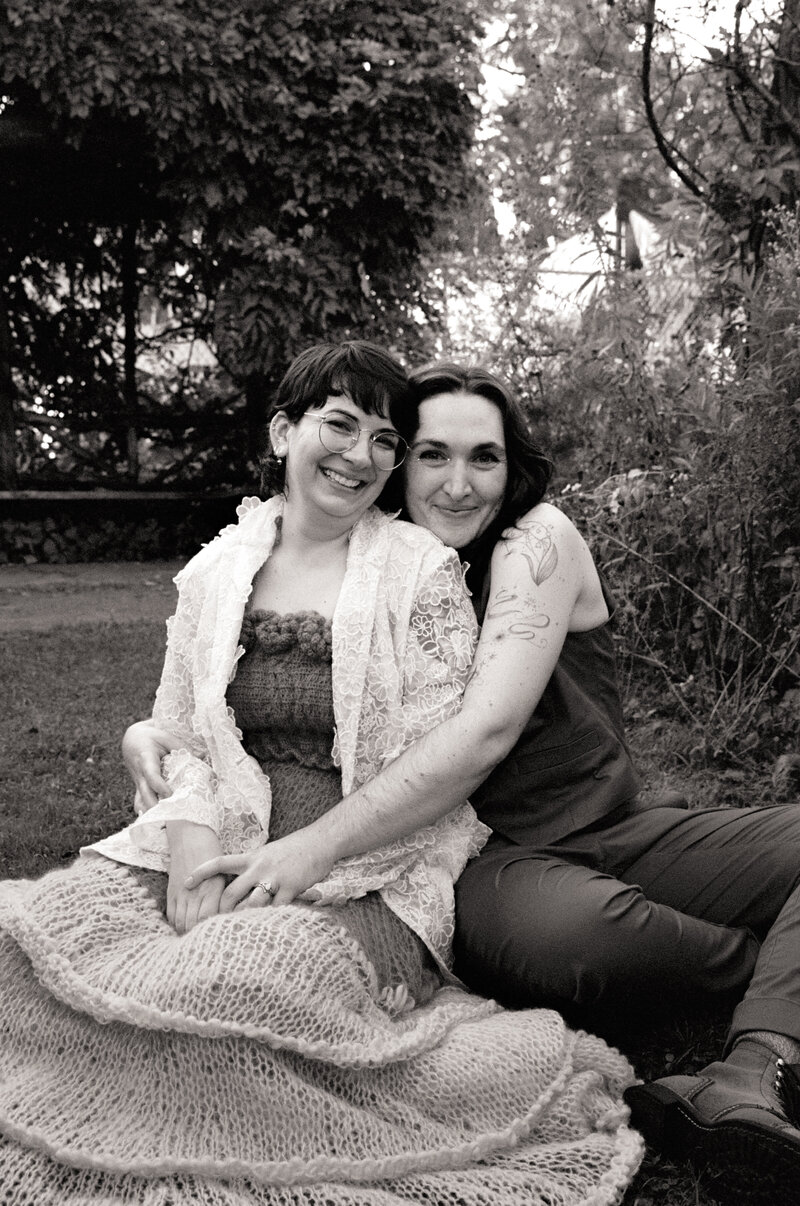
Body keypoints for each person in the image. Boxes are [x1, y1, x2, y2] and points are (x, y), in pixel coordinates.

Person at [126, 358, 800, 1205]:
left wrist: (310, 849)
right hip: (495, 861)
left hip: (620, 827)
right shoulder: (381, 567)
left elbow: (481, 733)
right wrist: (150, 728)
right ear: (400, 467)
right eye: (431, 454)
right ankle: (762, 960)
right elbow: (241, 694)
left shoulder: (536, 542)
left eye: (483, 457)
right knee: (571, 944)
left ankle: (752, 1066)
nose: (457, 483)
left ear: (511, 468)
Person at [0, 343, 642, 1206]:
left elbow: (435, 761)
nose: (362, 456)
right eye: (340, 426)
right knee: (31, 936)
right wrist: (190, 854)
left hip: (366, 870)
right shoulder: (217, 571)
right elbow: (185, 731)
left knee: (235, 981)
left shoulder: (421, 572)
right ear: (282, 431)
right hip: (218, 836)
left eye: (385, 441)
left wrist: (302, 865)